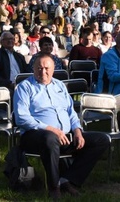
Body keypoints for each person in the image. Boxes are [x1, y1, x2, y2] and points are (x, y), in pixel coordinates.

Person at [14, 53, 109, 198]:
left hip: (65, 136)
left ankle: (68, 179)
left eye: (47, 68)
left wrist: (77, 130)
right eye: (39, 68)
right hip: (35, 135)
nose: (43, 72)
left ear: (53, 69)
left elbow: (71, 111)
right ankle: (54, 187)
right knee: (50, 138)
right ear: (33, 68)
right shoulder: (25, 87)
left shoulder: (59, 85)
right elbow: (22, 118)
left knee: (101, 139)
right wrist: (52, 129)